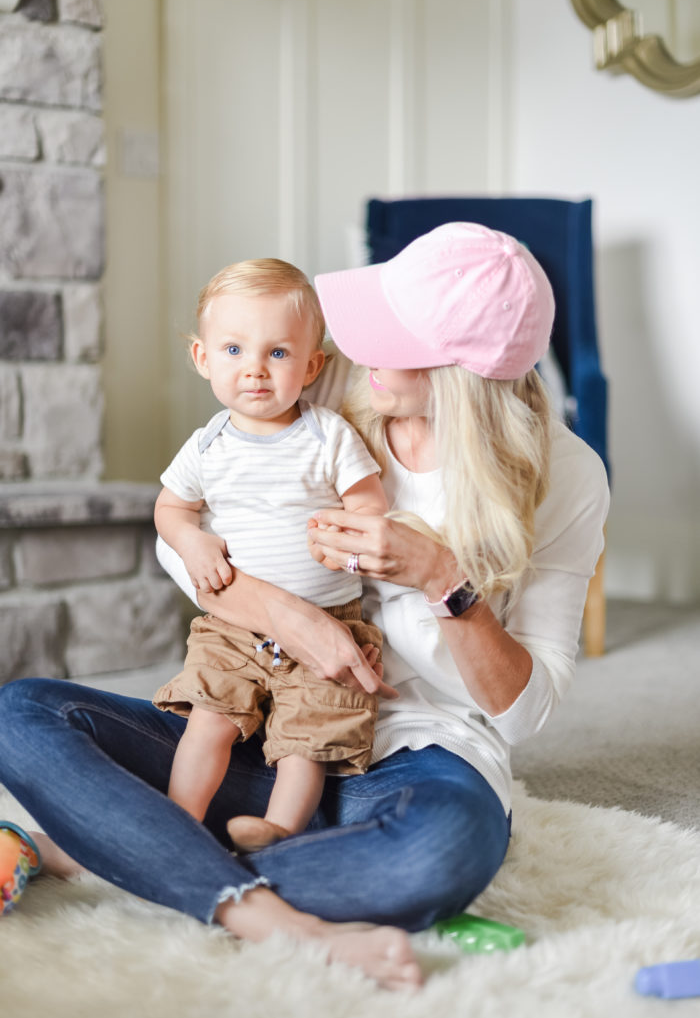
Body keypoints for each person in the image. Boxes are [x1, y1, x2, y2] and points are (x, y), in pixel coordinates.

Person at [0, 222, 609, 991]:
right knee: (21, 713)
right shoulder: (328, 387)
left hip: (419, 760)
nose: (361, 346)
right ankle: (270, 913)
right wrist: (295, 619)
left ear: (458, 369)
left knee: (436, 856)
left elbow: (525, 711)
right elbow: (179, 535)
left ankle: (118, 846)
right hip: (258, 723)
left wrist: (443, 581)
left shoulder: (567, 474)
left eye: (390, 333)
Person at [152, 258, 391, 852]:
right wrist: (193, 540)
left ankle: (278, 830)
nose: (255, 370)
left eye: (278, 354)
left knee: (307, 740)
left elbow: (371, 507)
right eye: (233, 350)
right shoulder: (206, 446)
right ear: (203, 358)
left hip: (329, 627)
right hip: (231, 629)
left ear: (311, 366)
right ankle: (179, 821)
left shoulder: (327, 434)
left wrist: (351, 535)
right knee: (208, 719)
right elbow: (169, 511)